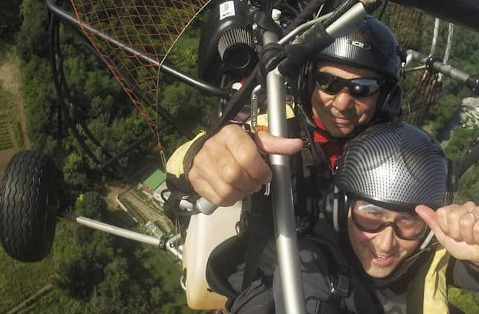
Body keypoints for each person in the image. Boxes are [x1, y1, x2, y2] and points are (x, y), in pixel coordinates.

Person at [165, 16, 404, 308]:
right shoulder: (276, 127)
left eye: (362, 88)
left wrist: (476, 266)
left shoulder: (393, 153)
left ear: (385, 96)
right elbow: (197, 154)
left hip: (357, 285)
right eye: (328, 82)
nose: (341, 103)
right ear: (307, 80)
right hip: (271, 275)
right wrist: (198, 160)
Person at [234, 122, 479, 313]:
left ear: (427, 227)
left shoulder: (424, 257)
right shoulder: (309, 258)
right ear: (341, 208)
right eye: (370, 216)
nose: (385, 244)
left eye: (407, 223)